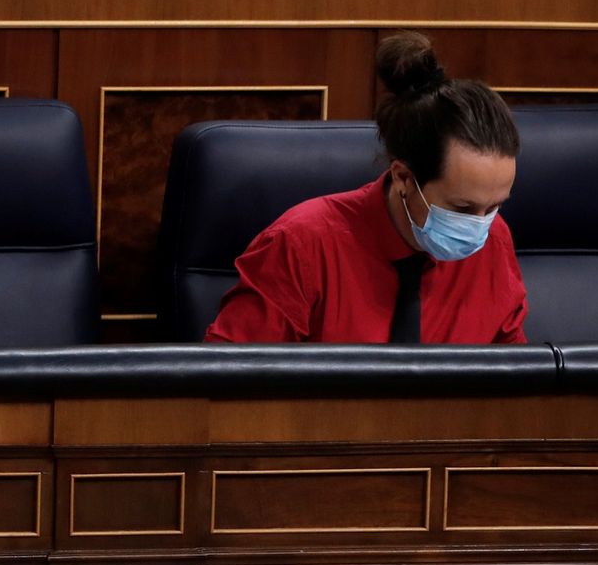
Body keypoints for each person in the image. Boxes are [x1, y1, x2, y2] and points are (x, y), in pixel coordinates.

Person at [205, 31, 526, 344]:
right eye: (463, 209)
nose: (480, 226)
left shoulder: (494, 241)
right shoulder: (300, 244)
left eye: (495, 206)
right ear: (403, 178)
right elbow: (228, 378)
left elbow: (517, 380)